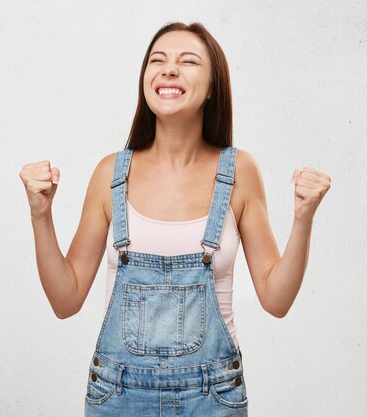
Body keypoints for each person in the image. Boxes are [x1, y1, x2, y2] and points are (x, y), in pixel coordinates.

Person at [19, 21, 331, 416]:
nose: (169, 70)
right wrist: (40, 214)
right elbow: (65, 301)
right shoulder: (110, 174)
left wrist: (303, 217)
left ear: (214, 85)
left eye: (188, 61)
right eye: (158, 60)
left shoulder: (239, 173)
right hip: (118, 398)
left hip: (212, 399)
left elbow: (277, 298)